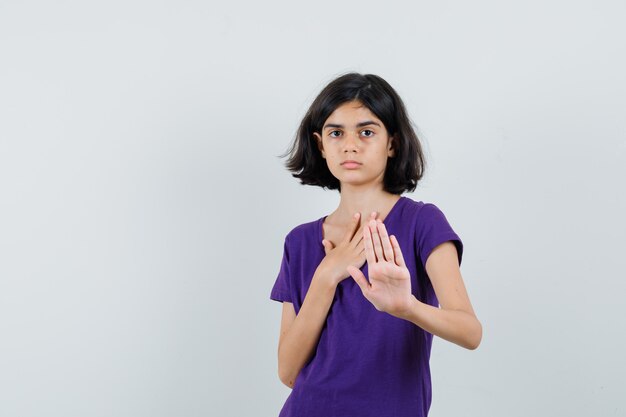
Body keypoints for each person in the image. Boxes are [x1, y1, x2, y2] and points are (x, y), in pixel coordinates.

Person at [269, 72, 482, 417]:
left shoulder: (421, 223)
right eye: (336, 133)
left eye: (366, 132)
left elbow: (470, 332)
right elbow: (288, 372)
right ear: (320, 145)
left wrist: (407, 307)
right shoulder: (300, 241)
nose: (350, 145)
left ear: (392, 143)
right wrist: (326, 276)